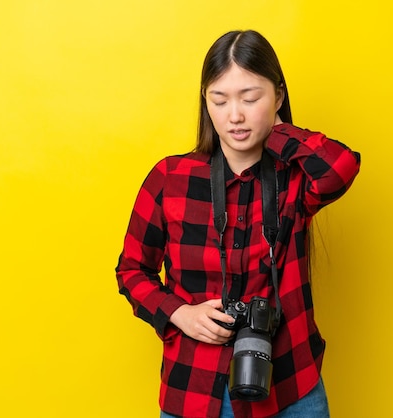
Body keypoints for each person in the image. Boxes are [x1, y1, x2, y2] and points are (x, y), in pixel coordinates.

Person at [116, 30, 361, 418]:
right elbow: (131, 271)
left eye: (251, 98)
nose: (235, 115)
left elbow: (341, 167)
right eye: (220, 99)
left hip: (290, 385)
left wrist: (278, 131)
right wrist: (181, 313)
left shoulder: (295, 177)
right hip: (195, 389)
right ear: (205, 102)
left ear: (278, 96)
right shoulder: (170, 177)